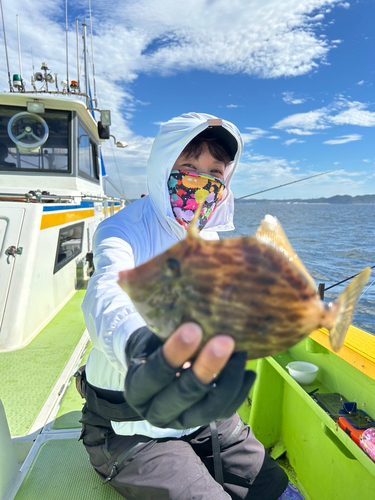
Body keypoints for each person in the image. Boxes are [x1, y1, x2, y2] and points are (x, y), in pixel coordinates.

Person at [79, 112, 290, 500]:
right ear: (164, 166)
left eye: (215, 170)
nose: (201, 180)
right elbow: (107, 293)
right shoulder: (122, 229)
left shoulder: (211, 241)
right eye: (189, 166)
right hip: (131, 426)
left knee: (276, 490)